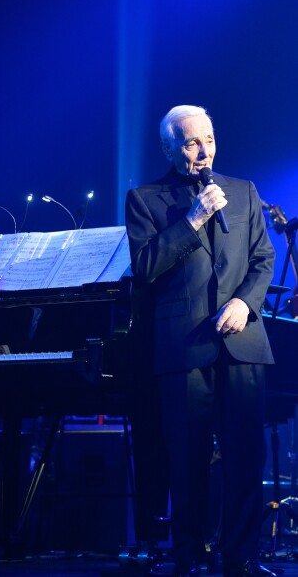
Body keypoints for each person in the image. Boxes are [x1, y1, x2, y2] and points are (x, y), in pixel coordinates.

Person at [125, 106, 276, 577]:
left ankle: (242, 557)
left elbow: (262, 259)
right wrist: (192, 219)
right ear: (169, 148)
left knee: (246, 456)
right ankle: (188, 555)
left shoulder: (244, 192)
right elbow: (146, 267)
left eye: (208, 139)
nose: (203, 151)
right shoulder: (145, 199)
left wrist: (246, 304)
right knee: (187, 459)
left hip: (242, 341)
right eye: (190, 143)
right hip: (183, 344)